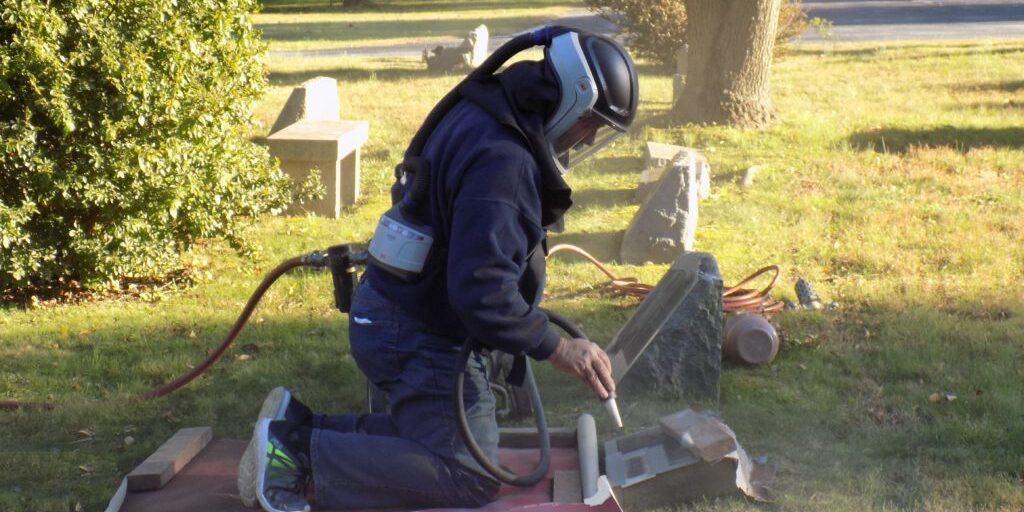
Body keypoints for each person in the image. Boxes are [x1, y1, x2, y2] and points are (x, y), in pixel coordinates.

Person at [237, 27, 639, 512]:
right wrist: (556, 347)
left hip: (395, 310)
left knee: (438, 436)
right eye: (589, 124)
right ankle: (298, 455)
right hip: (416, 332)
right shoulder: (505, 163)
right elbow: (481, 292)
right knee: (466, 473)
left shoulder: (491, 106)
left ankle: (300, 428)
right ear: (571, 100)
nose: (587, 137)